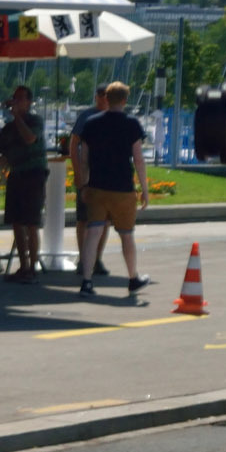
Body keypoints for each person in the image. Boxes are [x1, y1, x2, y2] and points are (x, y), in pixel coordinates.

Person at [73, 80, 149, 298]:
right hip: (122, 187)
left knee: (92, 233)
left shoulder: (91, 123)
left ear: (106, 98)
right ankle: (133, 277)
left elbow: (84, 158)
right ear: (124, 100)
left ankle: (87, 281)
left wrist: (84, 184)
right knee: (126, 235)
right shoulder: (132, 124)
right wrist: (144, 189)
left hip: (97, 186)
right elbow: (138, 159)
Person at [0, 84, 47, 282]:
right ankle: (23, 266)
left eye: (21, 98)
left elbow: (30, 138)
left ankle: (32, 267)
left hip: (34, 174)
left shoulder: (35, 120)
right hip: (17, 175)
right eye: (15, 98)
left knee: (31, 222)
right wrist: (0, 158)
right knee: (16, 222)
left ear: (29, 102)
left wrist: (18, 117)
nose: (17, 101)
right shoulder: (8, 129)